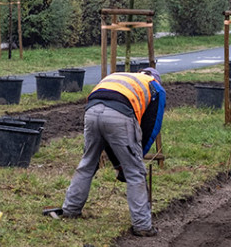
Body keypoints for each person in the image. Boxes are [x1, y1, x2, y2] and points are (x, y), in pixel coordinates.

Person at [49, 68, 166, 237]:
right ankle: (142, 225)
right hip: (120, 114)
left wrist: (119, 163)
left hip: (91, 111)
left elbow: (109, 137)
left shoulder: (119, 77)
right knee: (135, 172)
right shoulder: (156, 87)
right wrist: (134, 158)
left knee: (88, 163)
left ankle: (71, 209)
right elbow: (151, 127)